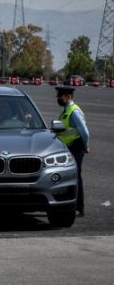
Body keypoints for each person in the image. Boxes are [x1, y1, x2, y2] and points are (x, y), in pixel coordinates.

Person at [55, 86, 90, 217]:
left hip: (76, 146)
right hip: (68, 147)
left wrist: (86, 146)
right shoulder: (66, 110)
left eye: (61, 96)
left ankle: (79, 208)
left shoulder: (74, 112)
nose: (58, 98)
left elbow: (84, 131)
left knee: (75, 176)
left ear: (69, 96)